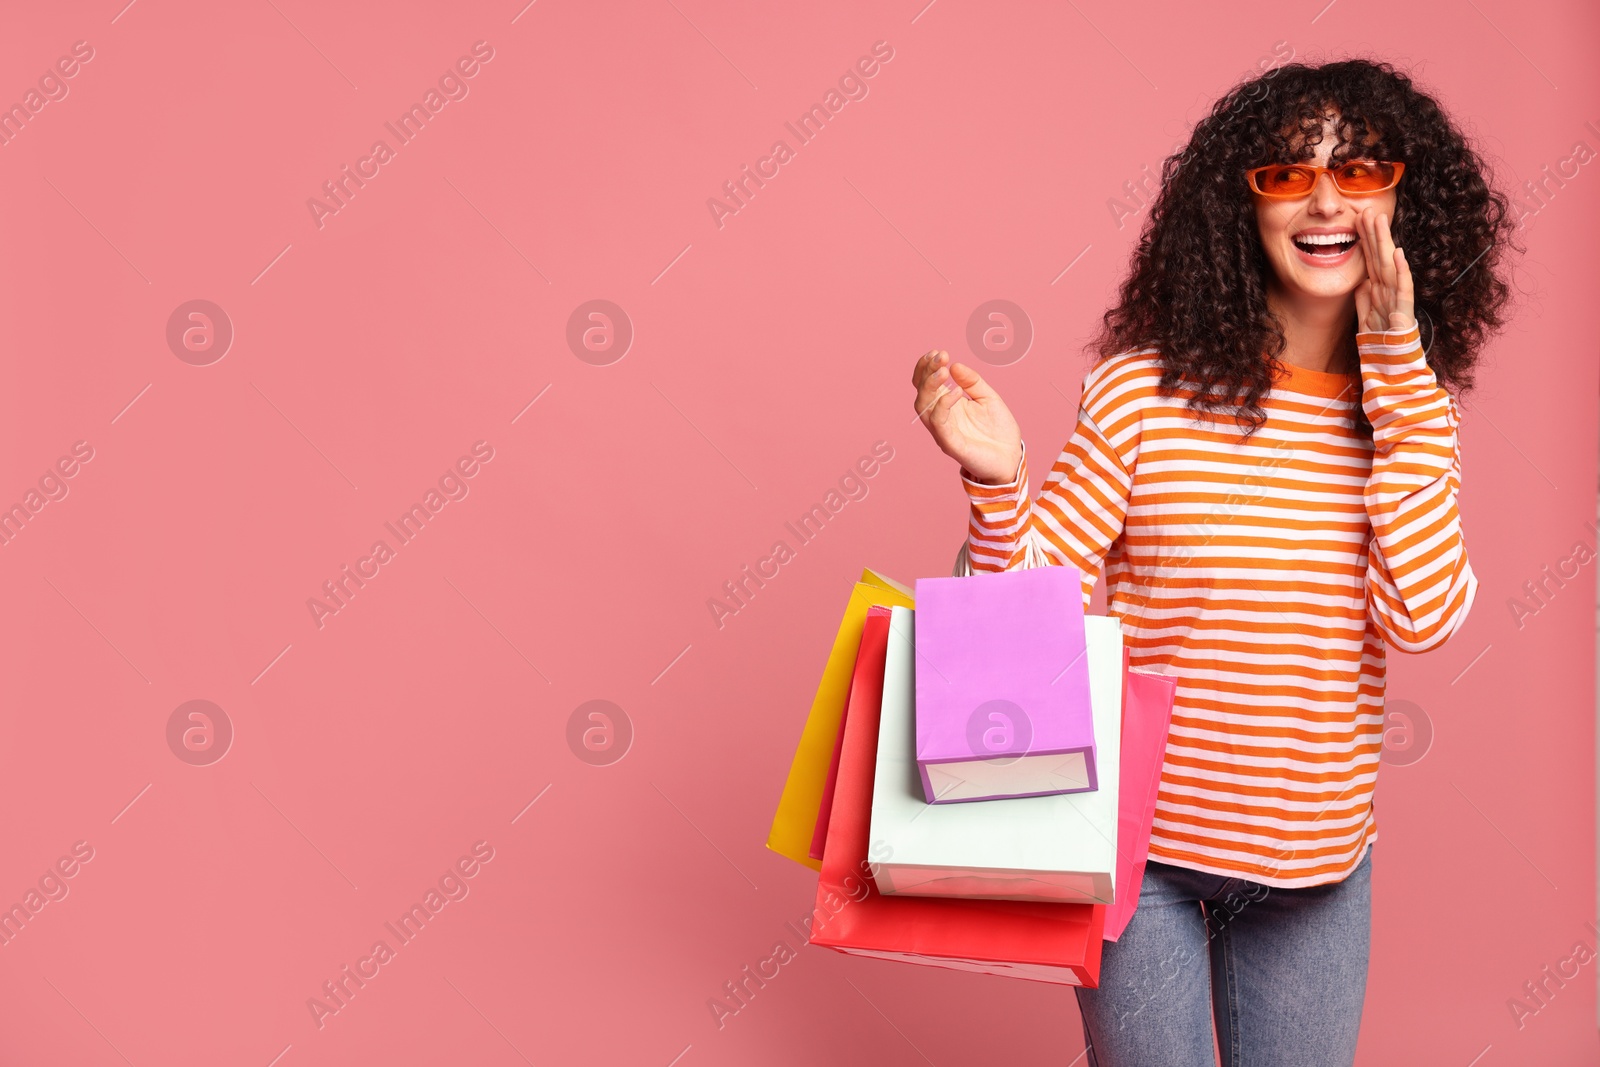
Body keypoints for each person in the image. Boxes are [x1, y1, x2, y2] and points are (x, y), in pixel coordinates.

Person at [909, 58, 1518, 1066]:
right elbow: (1021, 611)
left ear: (1402, 201)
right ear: (1242, 205)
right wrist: (996, 481)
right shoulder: (1140, 393)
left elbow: (1422, 616)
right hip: (1139, 859)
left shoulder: (1409, 415)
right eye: (1286, 174)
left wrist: (1400, 367)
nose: (1323, 199)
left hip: (1319, 867)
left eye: (1357, 170)